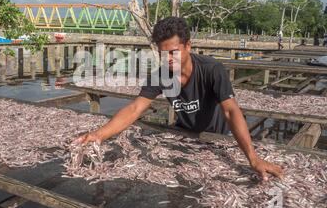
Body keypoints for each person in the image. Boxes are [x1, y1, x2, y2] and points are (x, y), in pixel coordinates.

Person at [76, 17, 283, 181]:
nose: (168, 59)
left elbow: (231, 111)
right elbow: (135, 109)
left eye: (174, 52)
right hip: (185, 135)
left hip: (219, 138)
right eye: (162, 54)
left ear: (188, 46)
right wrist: (98, 135)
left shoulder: (212, 70)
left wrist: (253, 158)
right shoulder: (160, 75)